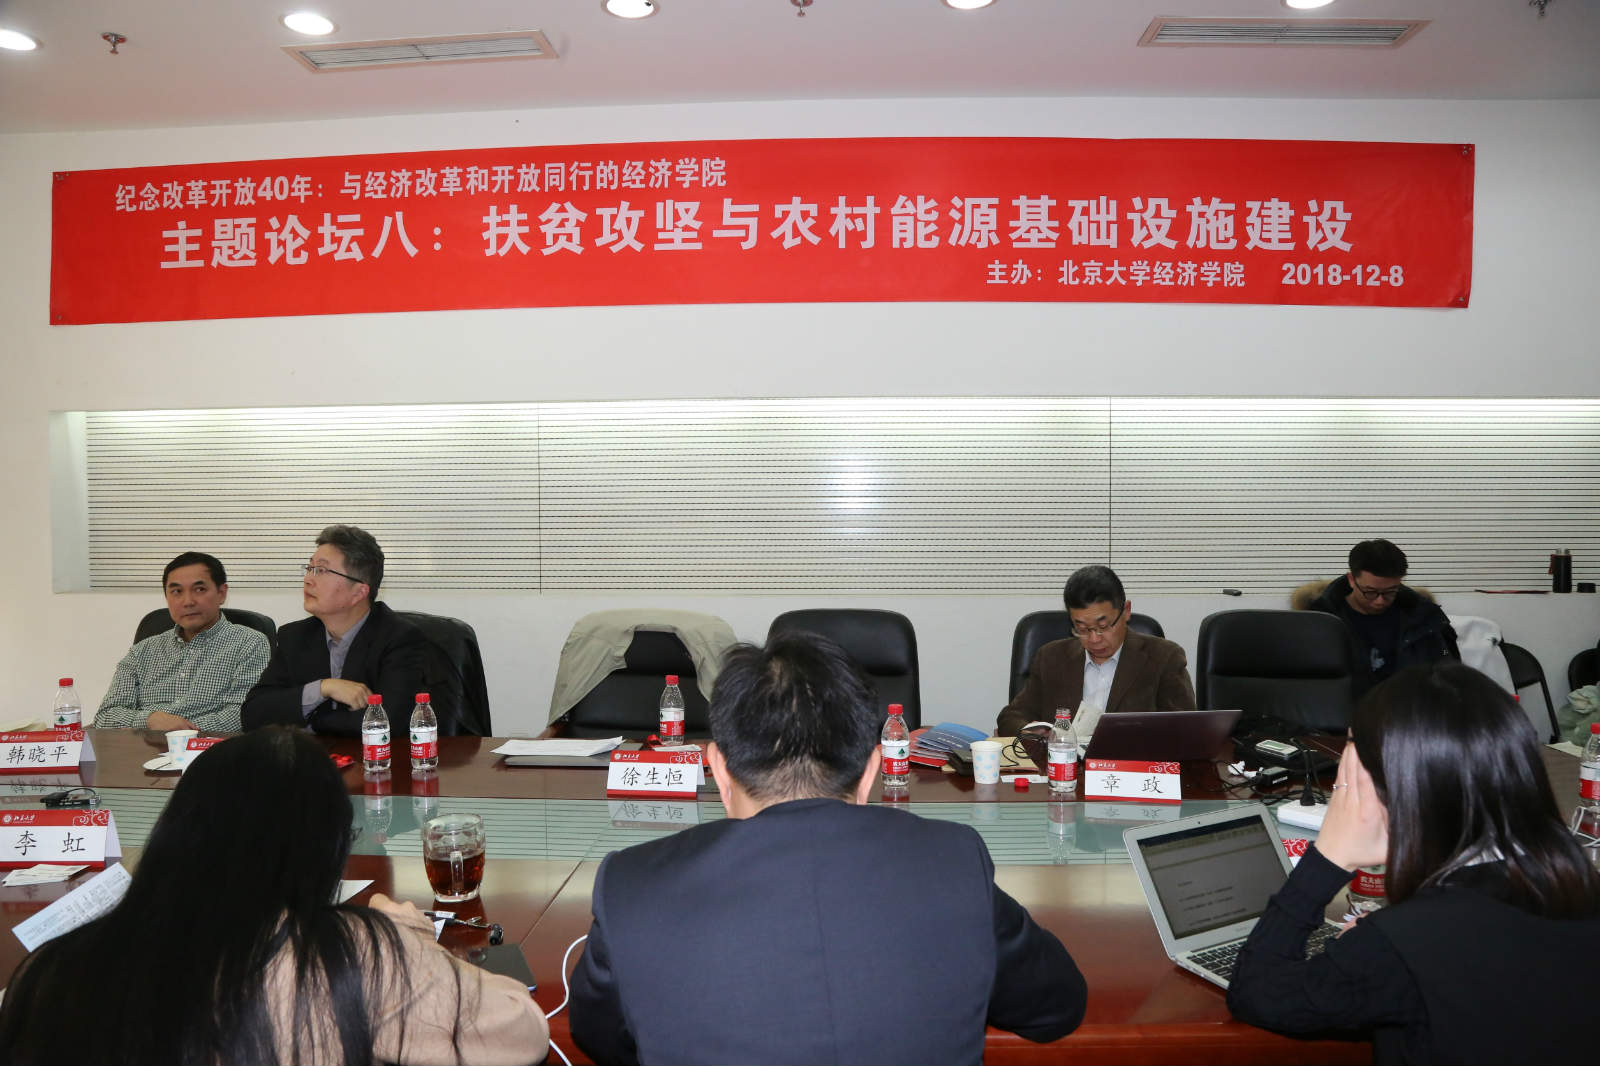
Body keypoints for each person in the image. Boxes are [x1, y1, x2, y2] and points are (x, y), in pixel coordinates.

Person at [568, 631, 1087, 1066]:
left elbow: (601, 1039)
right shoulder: (953, 861)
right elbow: (1056, 1007)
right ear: (872, 770)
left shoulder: (634, 884)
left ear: (718, 769)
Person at [0, 726, 548, 1064]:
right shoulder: (352, 953)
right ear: (324, 845)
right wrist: (409, 939)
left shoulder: (51, 970)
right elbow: (520, 1032)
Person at [1227, 661, 1600, 1064]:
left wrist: (1328, 856)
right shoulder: (1582, 886)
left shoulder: (1400, 946)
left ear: (1387, 785)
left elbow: (1257, 991)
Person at [241, 524, 427, 737]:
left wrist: (308, 720)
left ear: (358, 592)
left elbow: (387, 722)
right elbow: (252, 714)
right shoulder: (294, 637)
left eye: (321, 570)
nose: (308, 579)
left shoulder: (400, 638)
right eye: (309, 568)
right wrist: (323, 688)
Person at [997, 564, 1195, 736]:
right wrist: (1031, 731)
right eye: (1082, 629)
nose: (1094, 639)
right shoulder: (1051, 658)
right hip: (1064, 764)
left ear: (1126, 611)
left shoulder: (1164, 658)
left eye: (1103, 626)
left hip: (1131, 764)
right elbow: (1011, 717)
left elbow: (1186, 729)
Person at [93, 551, 270, 733]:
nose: (188, 602)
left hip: (209, 747)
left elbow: (240, 716)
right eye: (177, 592)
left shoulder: (249, 643)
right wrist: (150, 720)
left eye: (199, 589)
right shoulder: (142, 651)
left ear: (221, 593)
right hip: (144, 746)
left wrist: (178, 731)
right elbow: (105, 716)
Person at [1306, 538, 1459, 693]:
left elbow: (1448, 676)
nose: (1380, 601)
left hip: (1410, 706)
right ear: (1351, 580)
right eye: (1370, 592)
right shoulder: (1322, 621)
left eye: (1390, 592)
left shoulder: (1424, 619)